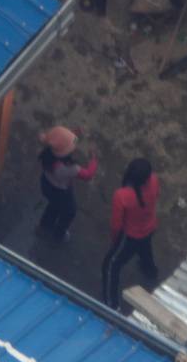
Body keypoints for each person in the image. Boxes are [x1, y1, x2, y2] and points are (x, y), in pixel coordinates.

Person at [102, 157, 161, 308]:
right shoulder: (154, 181)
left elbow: (117, 224)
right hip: (149, 227)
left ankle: (111, 304)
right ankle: (150, 271)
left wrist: (114, 240)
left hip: (130, 236)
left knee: (111, 265)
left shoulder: (122, 196)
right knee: (145, 249)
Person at [37, 127, 97, 242]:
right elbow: (88, 175)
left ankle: (44, 226)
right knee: (69, 211)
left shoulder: (48, 152)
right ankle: (58, 235)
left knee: (53, 206)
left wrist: (75, 135)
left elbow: (61, 142)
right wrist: (93, 159)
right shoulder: (69, 168)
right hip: (61, 192)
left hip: (46, 183)